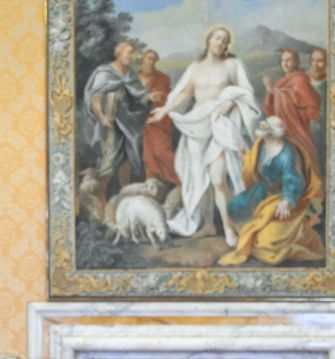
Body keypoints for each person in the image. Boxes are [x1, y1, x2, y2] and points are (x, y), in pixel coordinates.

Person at [149, 26, 261, 247]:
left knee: (218, 178)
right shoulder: (195, 67)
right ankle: (208, 224)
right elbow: (184, 93)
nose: (220, 43)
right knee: (200, 178)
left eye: (225, 40)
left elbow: (246, 92)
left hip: (220, 125)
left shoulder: (232, 65)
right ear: (209, 40)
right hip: (197, 125)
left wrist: (231, 102)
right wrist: (164, 110)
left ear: (227, 45)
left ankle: (229, 228)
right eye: (217, 38)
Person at [218, 116, 324, 266]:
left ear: (275, 133)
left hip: (280, 198)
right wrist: (241, 150)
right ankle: (252, 230)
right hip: (262, 191)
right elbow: (252, 162)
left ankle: (283, 232)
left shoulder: (287, 154)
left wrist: (286, 201)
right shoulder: (262, 144)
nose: (262, 125)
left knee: (268, 241)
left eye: (267, 125)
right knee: (234, 207)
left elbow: (293, 180)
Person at [83, 41, 153, 201]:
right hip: (111, 122)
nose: (132, 56)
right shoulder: (104, 72)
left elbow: (138, 95)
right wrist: (101, 116)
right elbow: (95, 96)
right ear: (119, 53)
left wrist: (148, 96)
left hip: (129, 123)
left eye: (133, 53)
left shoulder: (130, 74)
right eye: (129, 53)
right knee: (109, 161)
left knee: (126, 159)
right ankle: (101, 201)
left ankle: (124, 198)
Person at [262, 49, 321, 173]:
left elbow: (305, 101)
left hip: (297, 126)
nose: (285, 63)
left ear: (296, 62)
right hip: (283, 127)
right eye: (283, 60)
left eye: (289, 60)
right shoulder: (281, 82)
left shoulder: (300, 80)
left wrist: (274, 91)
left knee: (299, 158)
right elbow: (271, 109)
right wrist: (271, 92)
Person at [137, 49, 178, 186]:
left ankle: (181, 178)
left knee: (162, 152)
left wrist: (156, 100)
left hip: (157, 118)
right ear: (142, 59)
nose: (152, 61)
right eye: (149, 58)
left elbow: (166, 98)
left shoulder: (162, 78)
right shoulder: (132, 77)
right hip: (136, 118)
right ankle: (151, 180)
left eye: (154, 59)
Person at [308, 47, 328, 175]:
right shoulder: (303, 81)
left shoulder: (330, 85)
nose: (316, 65)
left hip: (320, 134)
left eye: (320, 61)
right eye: (313, 61)